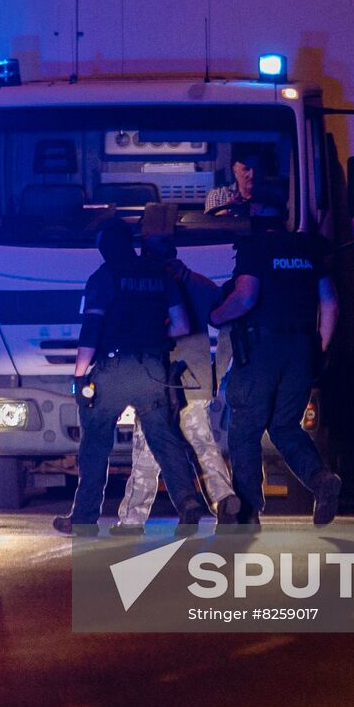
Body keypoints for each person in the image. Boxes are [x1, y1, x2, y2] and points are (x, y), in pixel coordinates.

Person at [54, 219, 207, 536]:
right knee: (164, 439)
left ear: (104, 247)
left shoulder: (103, 277)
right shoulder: (159, 274)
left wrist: (80, 375)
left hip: (113, 369)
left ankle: (83, 518)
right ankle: (188, 502)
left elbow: (91, 331)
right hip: (153, 369)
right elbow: (181, 326)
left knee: (95, 444)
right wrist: (149, 336)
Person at [207, 187, 342, 527]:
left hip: (261, 352)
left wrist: (217, 315)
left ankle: (249, 511)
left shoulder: (255, 248)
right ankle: (322, 480)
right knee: (284, 426)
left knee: (245, 430)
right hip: (301, 350)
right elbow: (331, 303)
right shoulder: (308, 248)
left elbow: (245, 297)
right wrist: (320, 350)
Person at [112, 236, 240, 534]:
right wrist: (216, 373)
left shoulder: (143, 286)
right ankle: (224, 500)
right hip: (196, 381)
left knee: (148, 450)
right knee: (204, 446)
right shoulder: (202, 286)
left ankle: (131, 521)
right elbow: (229, 329)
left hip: (156, 385)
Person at [204, 146, 261, 216]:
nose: (252, 175)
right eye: (246, 169)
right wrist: (227, 210)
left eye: (256, 169)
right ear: (235, 171)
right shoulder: (218, 194)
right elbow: (209, 223)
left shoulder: (270, 196)